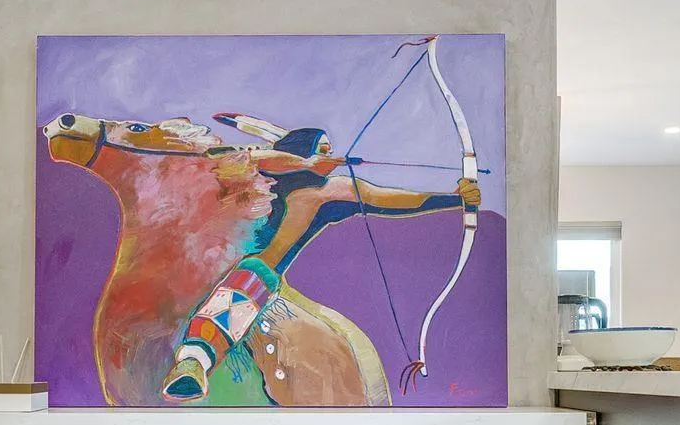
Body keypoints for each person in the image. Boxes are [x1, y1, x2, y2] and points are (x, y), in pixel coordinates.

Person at [161, 120, 481, 402]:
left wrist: (455, 199)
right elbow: (215, 158)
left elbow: (389, 199)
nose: (329, 158)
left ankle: (194, 361)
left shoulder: (326, 194)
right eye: (322, 150)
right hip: (203, 259)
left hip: (252, 275)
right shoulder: (251, 171)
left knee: (252, 273)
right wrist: (297, 161)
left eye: (329, 151)